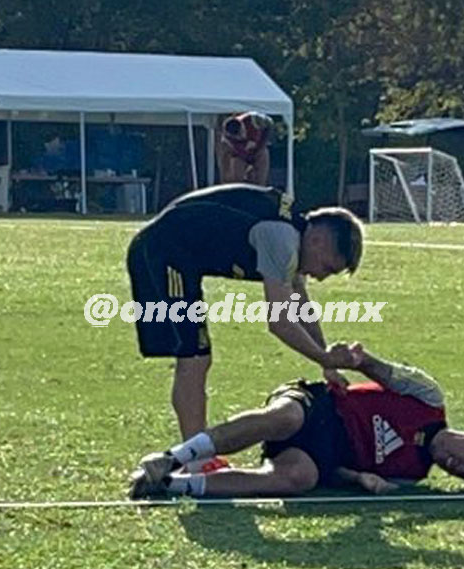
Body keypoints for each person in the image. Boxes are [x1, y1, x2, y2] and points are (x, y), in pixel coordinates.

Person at [125, 182, 365, 468]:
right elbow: (279, 321)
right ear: (318, 241)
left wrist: (326, 363)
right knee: (193, 357)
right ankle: (195, 458)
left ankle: (196, 453)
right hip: (161, 253)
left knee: (197, 357)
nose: (322, 277)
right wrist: (323, 356)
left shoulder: (293, 236)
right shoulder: (282, 239)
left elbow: (300, 304)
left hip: (179, 258)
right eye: (327, 268)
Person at [128, 346, 464, 499]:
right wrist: (358, 359)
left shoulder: (412, 474)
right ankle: (171, 458)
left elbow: (337, 473)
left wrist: (359, 479)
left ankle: (171, 486)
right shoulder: (430, 399)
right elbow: (383, 371)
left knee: (299, 479)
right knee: (285, 417)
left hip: (324, 452)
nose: (457, 467)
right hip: (322, 406)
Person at [215, 112, 273, 186]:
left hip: (258, 150)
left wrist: (262, 144)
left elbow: (270, 124)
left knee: (263, 158)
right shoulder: (227, 138)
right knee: (236, 178)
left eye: (241, 132)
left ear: (242, 125)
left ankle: (260, 186)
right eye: (237, 137)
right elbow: (228, 152)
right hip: (240, 154)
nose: (242, 137)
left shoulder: (253, 119)